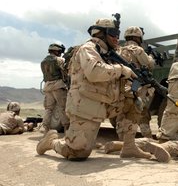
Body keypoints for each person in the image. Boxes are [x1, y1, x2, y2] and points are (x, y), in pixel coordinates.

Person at [36, 15, 151, 161]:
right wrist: (121, 70)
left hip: (105, 104)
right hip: (85, 107)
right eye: (113, 34)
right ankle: (50, 143)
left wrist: (136, 86)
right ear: (101, 34)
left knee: (133, 102)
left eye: (117, 35)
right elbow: (95, 72)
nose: (117, 38)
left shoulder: (109, 54)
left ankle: (129, 147)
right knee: (77, 153)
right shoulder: (88, 49)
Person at [116, 26, 155, 139]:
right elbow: (149, 64)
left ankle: (122, 139)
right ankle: (147, 138)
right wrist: (151, 57)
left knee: (122, 114)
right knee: (141, 112)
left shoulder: (119, 50)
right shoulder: (137, 50)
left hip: (121, 86)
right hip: (136, 85)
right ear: (139, 38)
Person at [40, 43, 70, 134]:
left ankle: (45, 128)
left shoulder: (43, 61)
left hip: (47, 86)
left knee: (49, 109)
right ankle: (67, 128)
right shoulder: (59, 60)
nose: (60, 53)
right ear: (56, 51)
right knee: (62, 107)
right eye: (59, 51)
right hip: (58, 86)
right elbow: (65, 72)